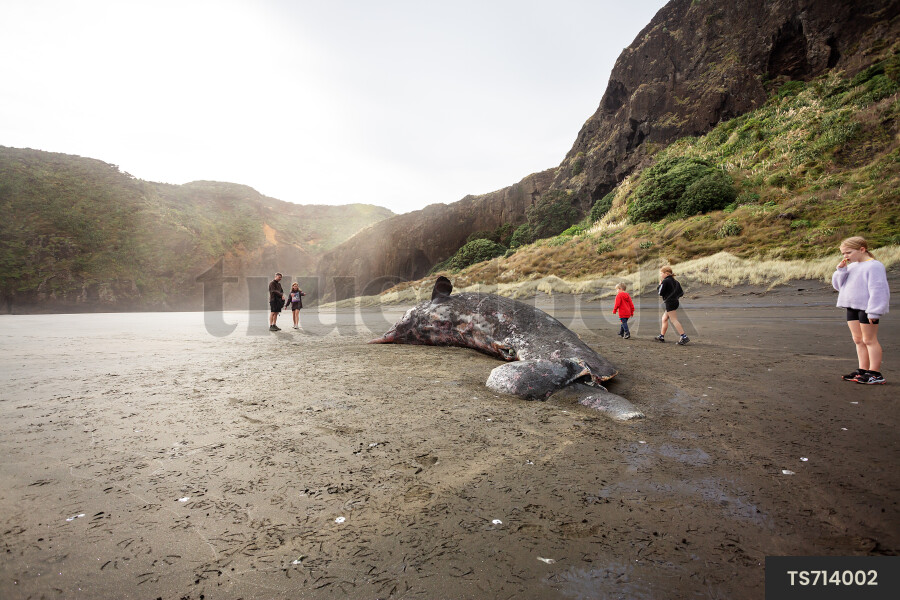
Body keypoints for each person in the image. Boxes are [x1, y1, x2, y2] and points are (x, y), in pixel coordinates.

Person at [832, 236, 890, 385]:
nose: (845, 256)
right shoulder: (851, 267)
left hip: (867, 308)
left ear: (862, 249)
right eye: (843, 253)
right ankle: (862, 371)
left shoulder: (874, 266)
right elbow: (838, 286)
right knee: (858, 340)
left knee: (869, 340)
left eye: (848, 253)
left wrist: (875, 311)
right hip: (851, 306)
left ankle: (875, 373)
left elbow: (879, 290)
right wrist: (841, 270)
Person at [656, 266, 689, 345]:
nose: (660, 275)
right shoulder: (675, 281)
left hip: (670, 302)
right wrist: (674, 297)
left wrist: (660, 285)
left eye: (661, 273)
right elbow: (681, 293)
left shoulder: (665, 281)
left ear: (666, 273)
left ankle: (684, 336)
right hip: (675, 302)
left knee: (673, 320)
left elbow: (660, 293)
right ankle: (661, 336)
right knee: (664, 318)